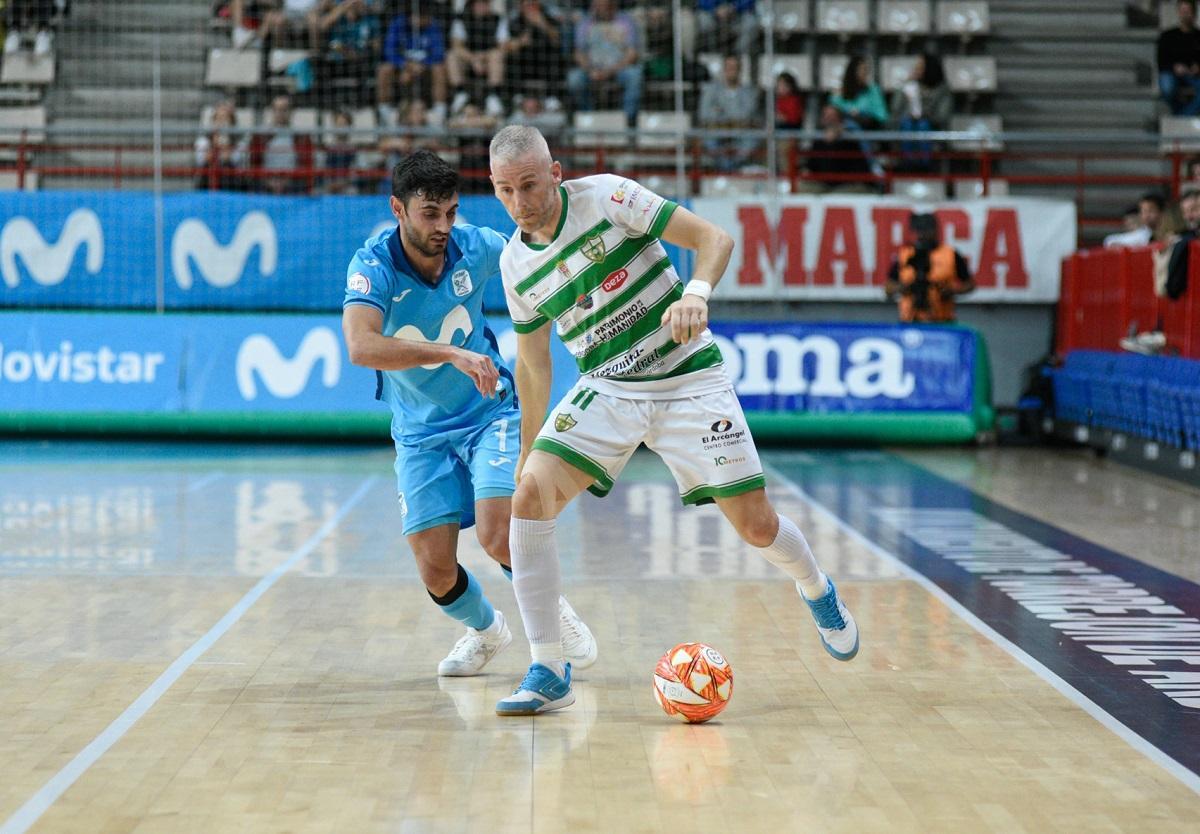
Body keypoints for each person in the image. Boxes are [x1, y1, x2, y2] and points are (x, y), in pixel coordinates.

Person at [486, 125, 859, 716]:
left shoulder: (608, 197)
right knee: (527, 499)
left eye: (528, 185)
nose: (519, 202)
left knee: (757, 527)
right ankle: (549, 667)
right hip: (608, 386)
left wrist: (698, 292)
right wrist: (528, 452)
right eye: (505, 190)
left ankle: (817, 588)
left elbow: (714, 238)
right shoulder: (513, 264)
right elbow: (532, 367)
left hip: (690, 380)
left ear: (555, 173)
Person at [341, 149, 597, 679]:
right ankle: (486, 631)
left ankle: (553, 615)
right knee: (435, 569)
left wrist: (579, 287)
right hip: (418, 432)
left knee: (497, 531)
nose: (443, 226)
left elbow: (538, 263)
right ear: (398, 209)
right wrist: (451, 353)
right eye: (429, 214)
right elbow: (361, 347)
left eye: (451, 212)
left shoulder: (478, 247)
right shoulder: (374, 265)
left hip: (489, 415)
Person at [885, 212, 975, 323]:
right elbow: (888, 287)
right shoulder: (905, 255)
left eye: (926, 230)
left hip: (941, 320)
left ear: (935, 230)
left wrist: (951, 291)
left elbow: (970, 284)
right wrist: (903, 288)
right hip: (909, 321)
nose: (922, 235)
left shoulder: (950, 254)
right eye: (919, 230)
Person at [567, 0, 642, 128]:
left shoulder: (626, 21)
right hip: (592, 69)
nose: (599, 8)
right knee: (574, 78)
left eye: (604, 5)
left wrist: (610, 71)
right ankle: (588, 117)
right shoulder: (585, 23)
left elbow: (632, 54)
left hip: (619, 68)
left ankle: (627, 121)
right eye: (597, 5)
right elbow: (578, 53)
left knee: (635, 75)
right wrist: (590, 70)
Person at [377, 5, 449, 125]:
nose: (426, 20)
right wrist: (405, 65)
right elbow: (389, 51)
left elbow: (439, 53)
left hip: (426, 69)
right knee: (384, 70)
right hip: (402, 69)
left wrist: (423, 65)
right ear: (413, 17)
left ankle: (439, 112)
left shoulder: (432, 25)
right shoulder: (397, 24)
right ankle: (385, 112)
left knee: (440, 69)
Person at [889, 51, 952, 172]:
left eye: (920, 67)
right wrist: (904, 86)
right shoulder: (909, 86)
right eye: (916, 67)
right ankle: (908, 162)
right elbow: (895, 109)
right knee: (907, 124)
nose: (916, 70)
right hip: (907, 124)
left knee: (923, 124)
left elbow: (943, 117)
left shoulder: (942, 90)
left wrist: (925, 114)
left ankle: (924, 164)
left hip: (932, 127)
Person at [698, 55, 760, 172]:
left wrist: (720, 111)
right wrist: (727, 117)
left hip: (741, 132)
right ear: (724, 69)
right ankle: (725, 169)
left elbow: (746, 115)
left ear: (740, 70)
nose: (732, 70)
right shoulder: (711, 90)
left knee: (752, 139)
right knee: (709, 140)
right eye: (729, 67)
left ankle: (732, 168)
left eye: (735, 67)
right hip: (717, 131)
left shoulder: (749, 92)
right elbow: (704, 114)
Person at [447, 0, 508, 118]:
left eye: (485, 3)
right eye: (479, 3)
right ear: (472, 5)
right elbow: (456, 45)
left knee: (496, 55)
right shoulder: (461, 19)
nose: (482, 6)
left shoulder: (498, 19)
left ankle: (493, 97)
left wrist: (483, 57)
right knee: (452, 55)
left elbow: (503, 46)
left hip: (489, 59)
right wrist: (474, 59)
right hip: (468, 60)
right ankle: (460, 93)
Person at [248, 93, 315, 194]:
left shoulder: (301, 137)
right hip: (265, 183)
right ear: (272, 111)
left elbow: (306, 166)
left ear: (291, 112)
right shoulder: (260, 136)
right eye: (277, 109)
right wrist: (268, 181)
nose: (280, 113)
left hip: (293, 183)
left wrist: (287, 180)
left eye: (284, 109)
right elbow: (253, 164)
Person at [804, 105, 872, 192]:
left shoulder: (850, 138)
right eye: (825, 115)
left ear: (839, 119)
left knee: (839, 195)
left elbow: (859, 167)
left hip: (846, 184)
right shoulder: (818, 140)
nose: (828, 119)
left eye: (832, 116)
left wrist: (838, 135)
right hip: (822, 183)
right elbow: (811, 165)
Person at [1158, 0, 1200, 116]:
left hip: (1194, 76)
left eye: (1188, 11)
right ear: (1178, 12)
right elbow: (1161, 62)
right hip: (1171, 73)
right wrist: (1174, 67)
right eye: (1183, 11)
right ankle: (1183, 117)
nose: (1186, 15)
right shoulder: (1167, 36)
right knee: (1167, 87)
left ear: (1194, 13)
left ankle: (1180, 118)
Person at [195, 100, 248, 191]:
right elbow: (200, 161)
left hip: (233, 184)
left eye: (225, 119)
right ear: (213, 121)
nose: (221, 124)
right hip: (207, 184)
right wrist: (214, 147)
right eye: (218, 119)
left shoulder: (240, 143)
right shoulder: (203, 141)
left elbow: (238, 162)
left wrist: (226, 148)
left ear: (232, 122)